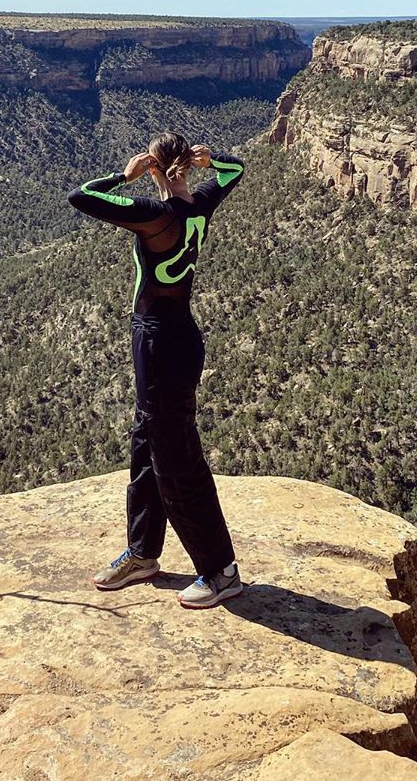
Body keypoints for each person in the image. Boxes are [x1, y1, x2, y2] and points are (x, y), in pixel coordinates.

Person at [67, 130, 245, 609]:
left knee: (176, 456)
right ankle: (144, 552)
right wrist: (215, 160)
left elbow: (80, 196)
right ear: (187, 165)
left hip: (159, 341)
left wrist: (123, 176)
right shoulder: (201, 203)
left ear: (154, 167)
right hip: (179, 335)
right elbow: (238, 170)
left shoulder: (155, 215)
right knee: (146, 441)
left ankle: (220, 569)